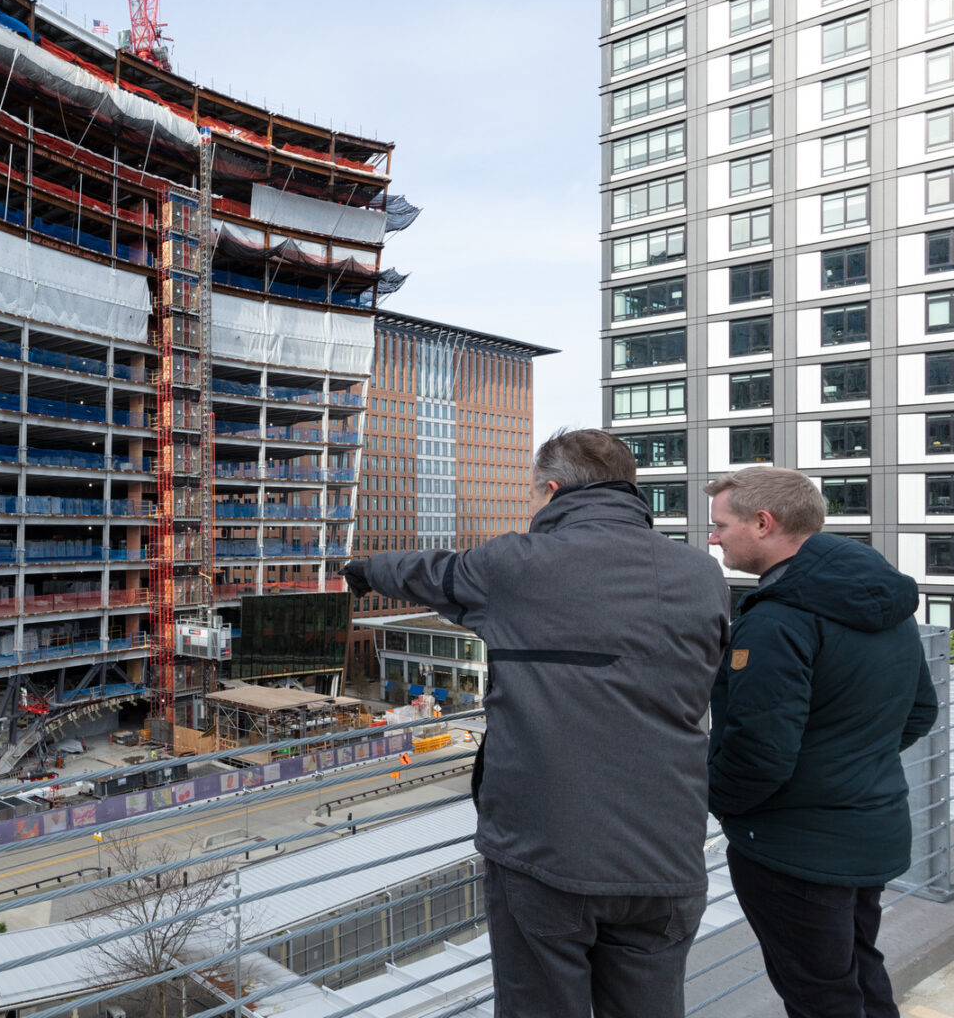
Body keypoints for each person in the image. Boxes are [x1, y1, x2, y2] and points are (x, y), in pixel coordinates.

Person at [342, 428, 729, 1018]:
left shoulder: (517, 565)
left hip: (547, 851)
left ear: (552, 490)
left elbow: (428, 571)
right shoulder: (702, 575)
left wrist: (362, 570)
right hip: (668, 855)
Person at [705, 467, 941, 1018]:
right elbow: (920, 711)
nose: (713, 538)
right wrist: (848, 764)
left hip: (794, 849)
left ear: (764, 523)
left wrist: (719, 802)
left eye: (720, 525)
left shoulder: (779, 620)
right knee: (858, 973)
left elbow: (760, 750)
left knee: (819, 996)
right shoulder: (881, 601)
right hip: (869, 830)